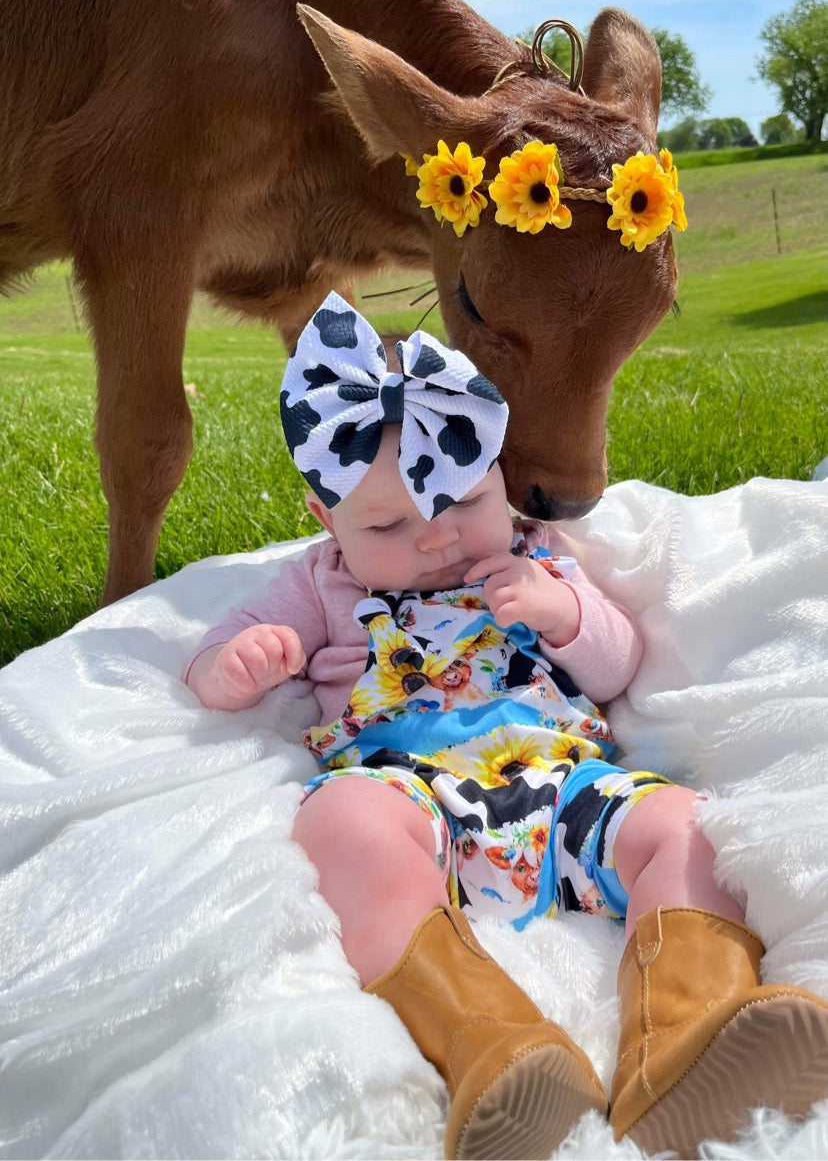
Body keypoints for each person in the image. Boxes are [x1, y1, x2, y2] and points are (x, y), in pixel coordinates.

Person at [187, 293, 828, 1161]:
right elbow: (218, 649)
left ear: (497, 468)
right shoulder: (321, 583)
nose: (434, 540)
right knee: (339, 824)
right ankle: (492, 1045)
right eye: (387, 523)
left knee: (681, 825)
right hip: (412, 796)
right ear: (323, 519)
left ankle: (691, 1030)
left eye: (462, 500)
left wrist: (563, 613)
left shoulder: (537, 557)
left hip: (565, 785)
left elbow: (618, 662)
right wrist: (237, 664)